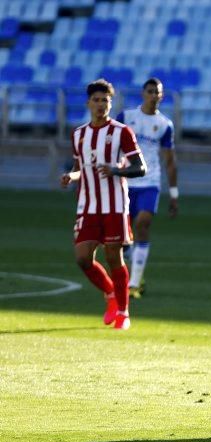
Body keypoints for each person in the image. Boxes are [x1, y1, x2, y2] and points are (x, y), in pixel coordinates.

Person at [60, 79, 147, 330]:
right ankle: (110, 292)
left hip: (115, 204)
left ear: (111, 103)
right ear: (88, 103)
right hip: (87, 205)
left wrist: (116, 171)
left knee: (114, 257)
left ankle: (123, 311)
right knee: (83, 258)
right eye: (96, 100)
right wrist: (71, 177)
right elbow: (79, 168)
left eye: (105, 101)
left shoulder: (122, 132)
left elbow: (140, 167)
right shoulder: (78, 134)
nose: (101, 105)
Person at [116, 78, 178, 299]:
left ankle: (133, 284)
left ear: (161, 96)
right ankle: (135, 270)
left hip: (149, 182)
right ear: (143, 93)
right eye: (150, 91)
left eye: (157, 92)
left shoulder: (164, 125)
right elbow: (113, 145)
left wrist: (173, 194)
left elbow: (170, 161)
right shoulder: (126, 117)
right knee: (121, 238)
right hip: (126, 180)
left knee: (142, 223)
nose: (153, 95)